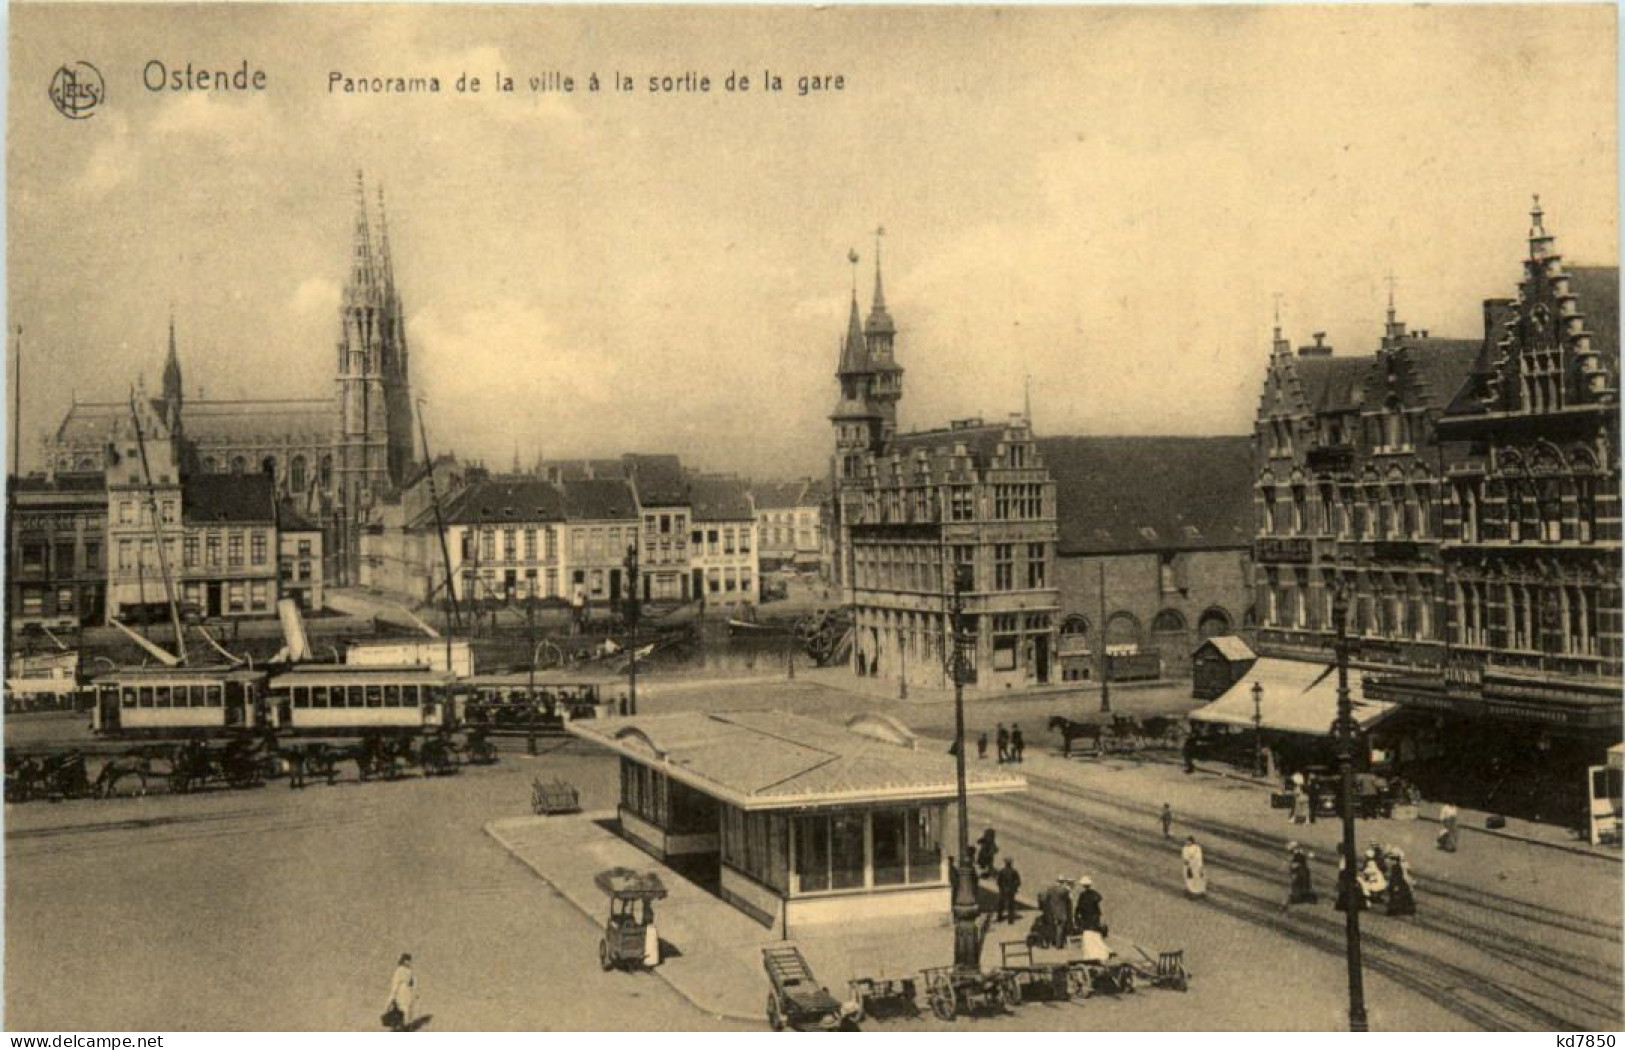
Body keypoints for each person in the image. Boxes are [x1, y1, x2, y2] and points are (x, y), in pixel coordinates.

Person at [385, 953, 416, 1032]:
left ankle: (404, 1027)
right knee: (404, 1009)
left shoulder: (407, 971)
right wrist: (393, 994)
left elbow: (411, 982)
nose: (409, 962)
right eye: (407, 960)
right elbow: (396, 983)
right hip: (402, 991)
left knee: (405, 1009)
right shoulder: (402, 971)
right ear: (404, 961)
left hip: (405, 991)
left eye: (409, 960)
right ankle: (404, 1027)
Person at [1285, 843, 1317, 909]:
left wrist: (1294, 867)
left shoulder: (1299, 854)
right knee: (1300, 884)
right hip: (1300, 872)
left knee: (1300, 884)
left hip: (1301, 872)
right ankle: (1301, 896)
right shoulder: (1299, 854)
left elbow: (1297, 864)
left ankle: (1300, 897)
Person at [1386, 849, 1416, 917]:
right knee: (1398, 897)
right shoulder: (1396, 866)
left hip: (1399, 885)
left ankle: (1395, 910)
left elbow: (1401, 877)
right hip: (1397, 884)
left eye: (1393, 859)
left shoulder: (1398, 867)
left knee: (1397, 897)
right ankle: (1403, 909)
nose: (1391, 861)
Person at [995, 858, 1022, 924]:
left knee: (1001, 904)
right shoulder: (1014, 871)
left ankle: (999, 917)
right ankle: (1010, 920)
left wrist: (1001, 888)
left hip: (1003, 890)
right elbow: (1018, 881)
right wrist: (1014, 887)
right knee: (1010, 905)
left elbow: (998, 881)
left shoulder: (1002, 871)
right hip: (1010, 891)